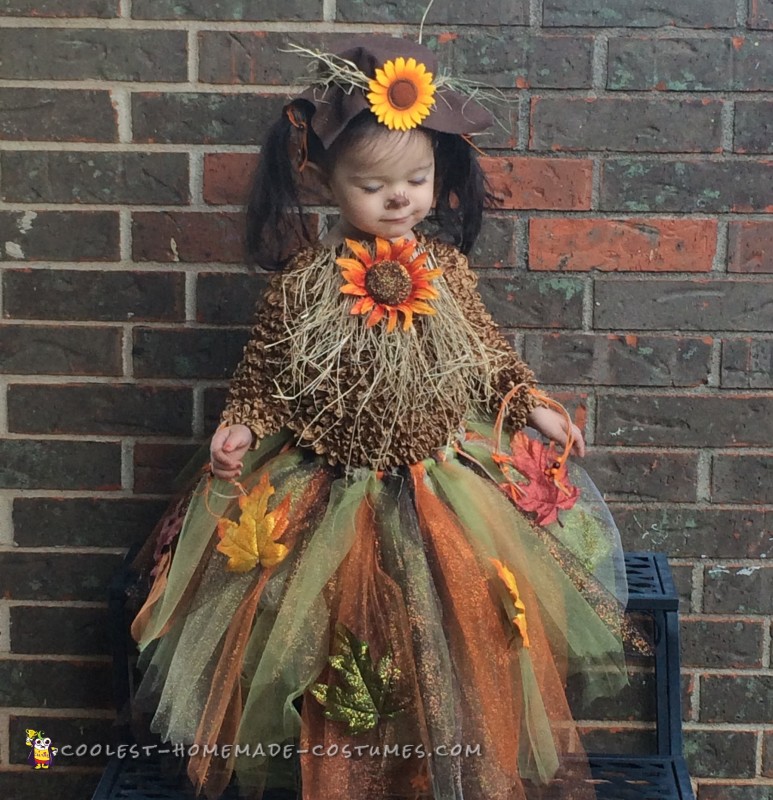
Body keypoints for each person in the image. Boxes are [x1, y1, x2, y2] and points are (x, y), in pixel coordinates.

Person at [131, 35, 641, 800]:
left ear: (437, 178)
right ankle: (342, 775)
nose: (398, 198)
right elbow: (265, 372)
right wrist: (240, 420)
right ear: (325, 180)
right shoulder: (303, 284)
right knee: (335, 642)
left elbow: (486, 355)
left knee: (450, 637)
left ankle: (431, 774)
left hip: (442, 485)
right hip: (326, 488)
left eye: (415, 180)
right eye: (373, 185)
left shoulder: (447, 273)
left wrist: (530, 402)